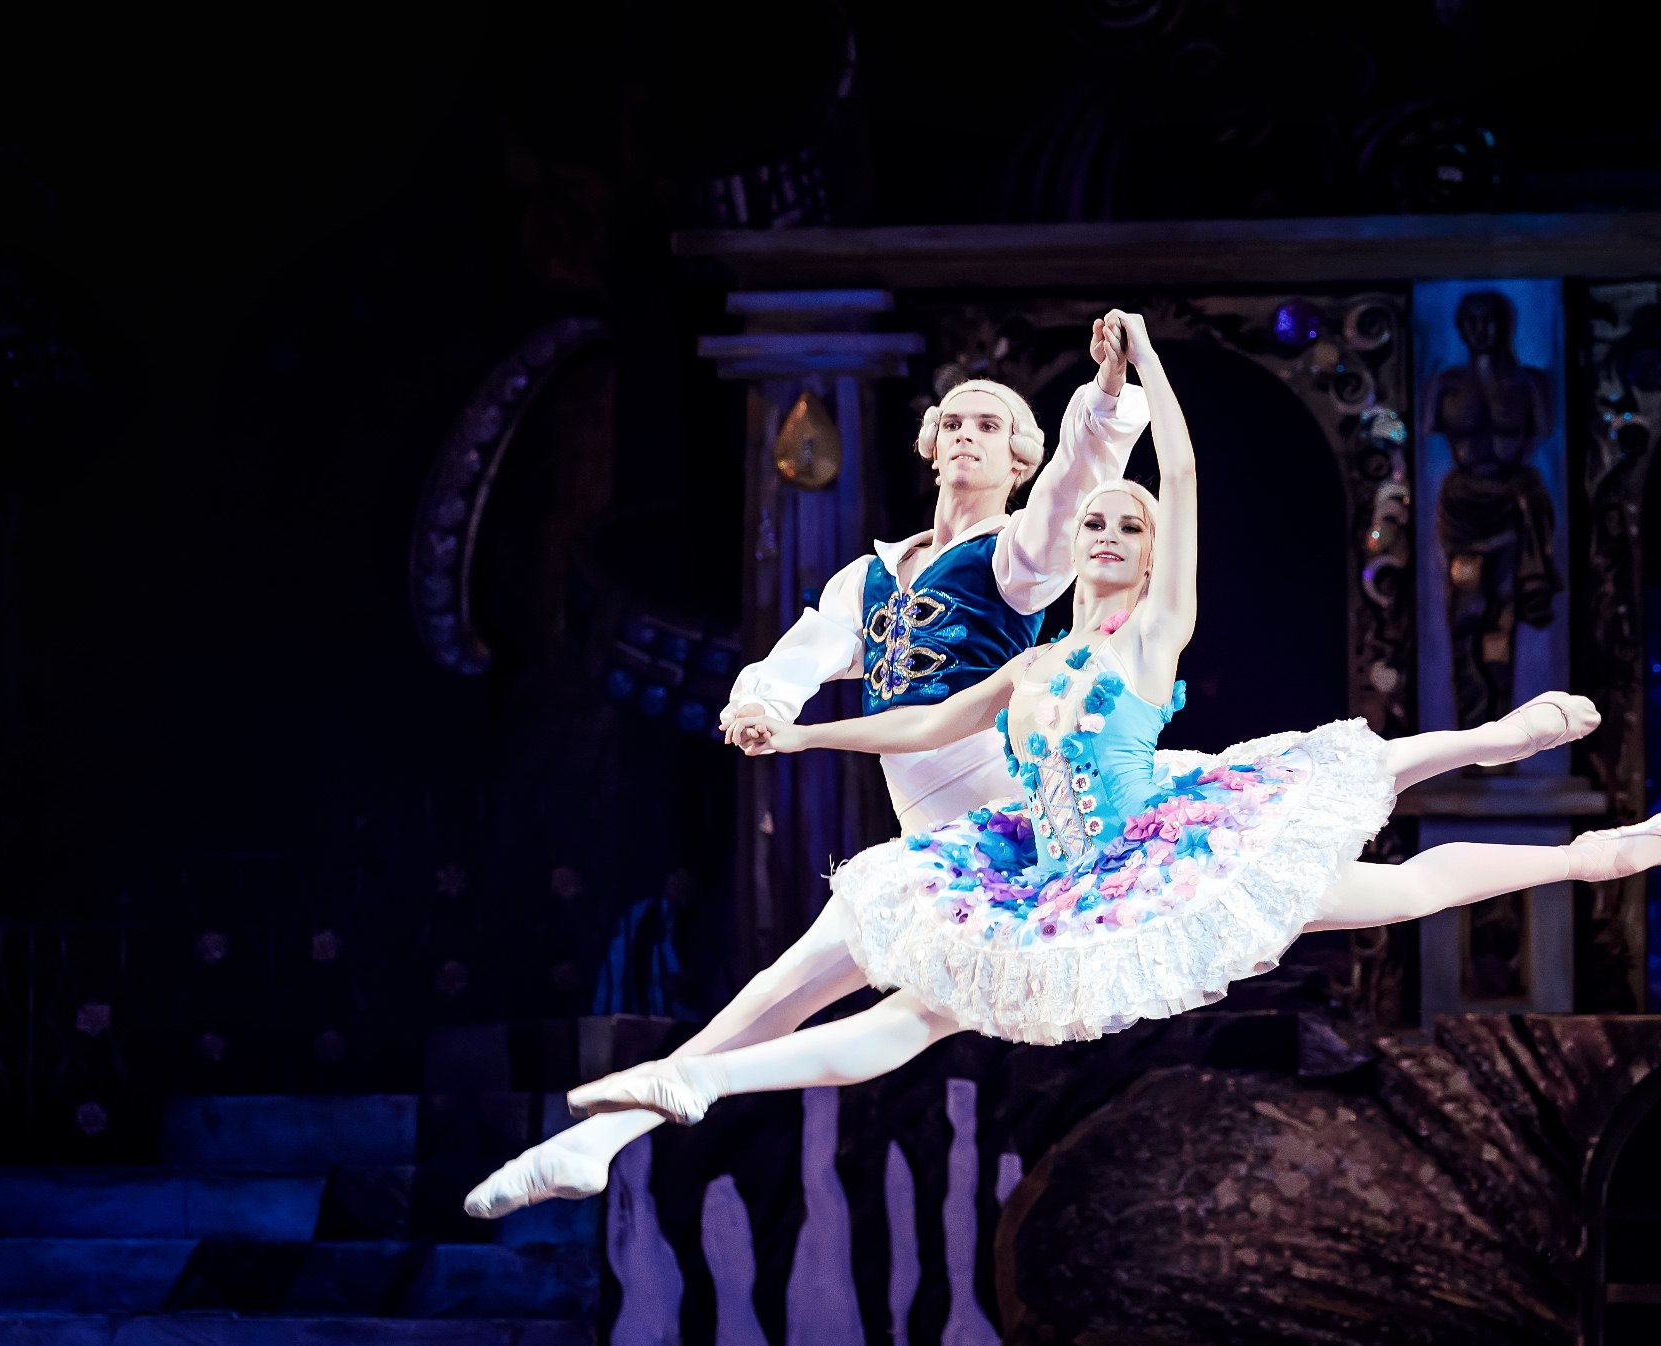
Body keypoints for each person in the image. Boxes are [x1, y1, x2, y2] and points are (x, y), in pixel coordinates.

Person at [545, 312, 1661, 1133]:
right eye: (1095, 524)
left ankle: (1570, 827)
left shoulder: (1153, 627)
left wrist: (1135, 372)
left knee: (1387, 853)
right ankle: (693, 1084)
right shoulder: (1036, 661)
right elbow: (915, 724)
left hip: (1165, 851)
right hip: (1049, 878)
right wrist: (792, 733)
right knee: (907, 1020)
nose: (1100, 535)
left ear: (1142, 552)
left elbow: (1169, 473)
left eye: (1119, 527)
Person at [463, 321, 1149, 1217]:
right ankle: (599, 1140)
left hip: (1013, 832)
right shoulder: (866, 579)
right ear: (932, 444)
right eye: (955, 422)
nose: (968, 435)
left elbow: (1072, 490)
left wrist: (1101, 395)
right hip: (932, 848)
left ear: (1017, 456)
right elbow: (804, 654)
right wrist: (762, 705)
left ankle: (628, 1121)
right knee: (772, 998)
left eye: (990, 424)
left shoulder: (1018, 559)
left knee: (879, 1023)